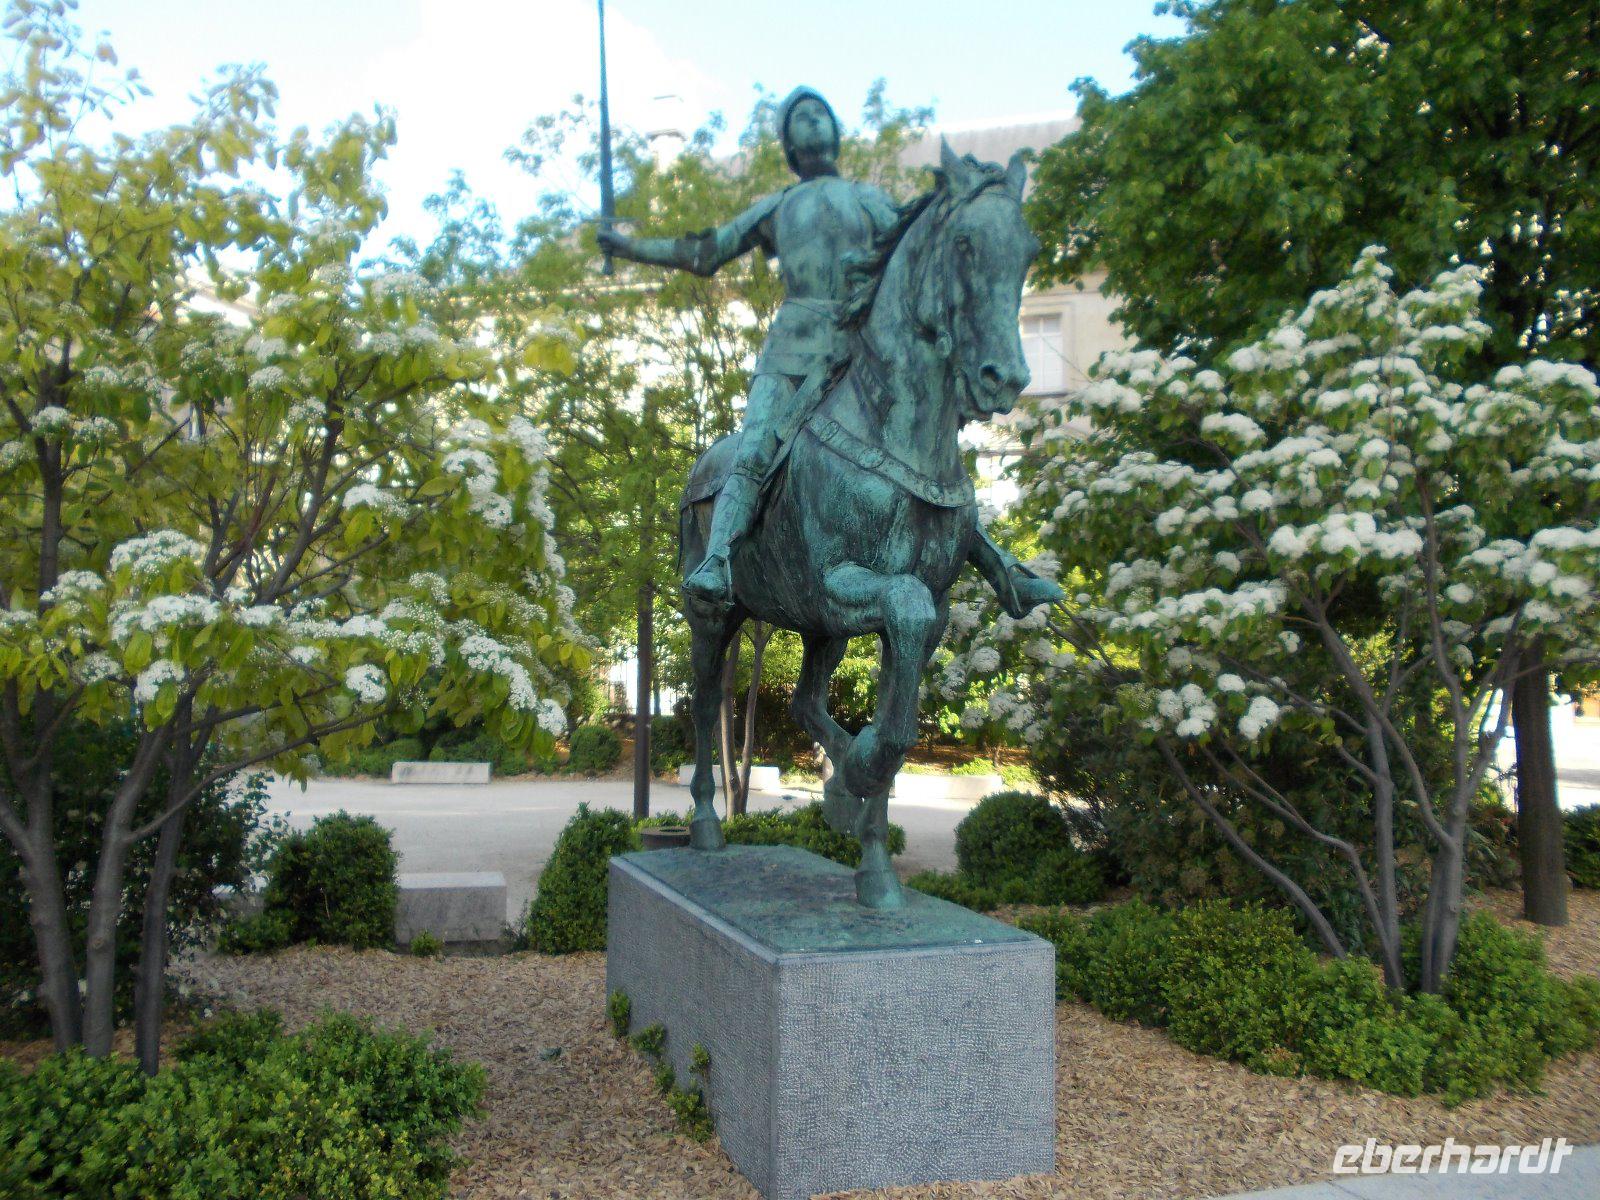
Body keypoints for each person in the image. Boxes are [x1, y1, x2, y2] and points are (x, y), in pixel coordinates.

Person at [599, 86, 1061, 617]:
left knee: (927, 453)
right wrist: (630, 247)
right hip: (793, 352)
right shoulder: (778, 205)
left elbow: (920, 253)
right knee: (754, 450)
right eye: (800, 117)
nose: (813, 121)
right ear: (788, 143)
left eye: (820, 113)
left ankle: (1000, 565)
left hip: (857, 353)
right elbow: (705, 252)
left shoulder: (869, 199)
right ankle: (718, 559)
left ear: (836, 132)